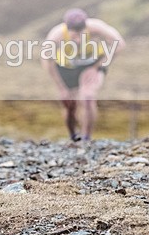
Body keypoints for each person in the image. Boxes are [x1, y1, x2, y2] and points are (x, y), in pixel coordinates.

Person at [41, 8, 125, 142]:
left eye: (82, 35)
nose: (79, 40)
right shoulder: (56, 36)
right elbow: (47, 63)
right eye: (74, 36)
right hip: (66, 68)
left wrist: (97, 66)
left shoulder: (97, 27)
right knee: (70, 105)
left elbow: (119, 44)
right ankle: (73, 135)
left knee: (87, 96)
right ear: (67, 30)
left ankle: (86, 138)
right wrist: (61, 88)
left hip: (92, 65)